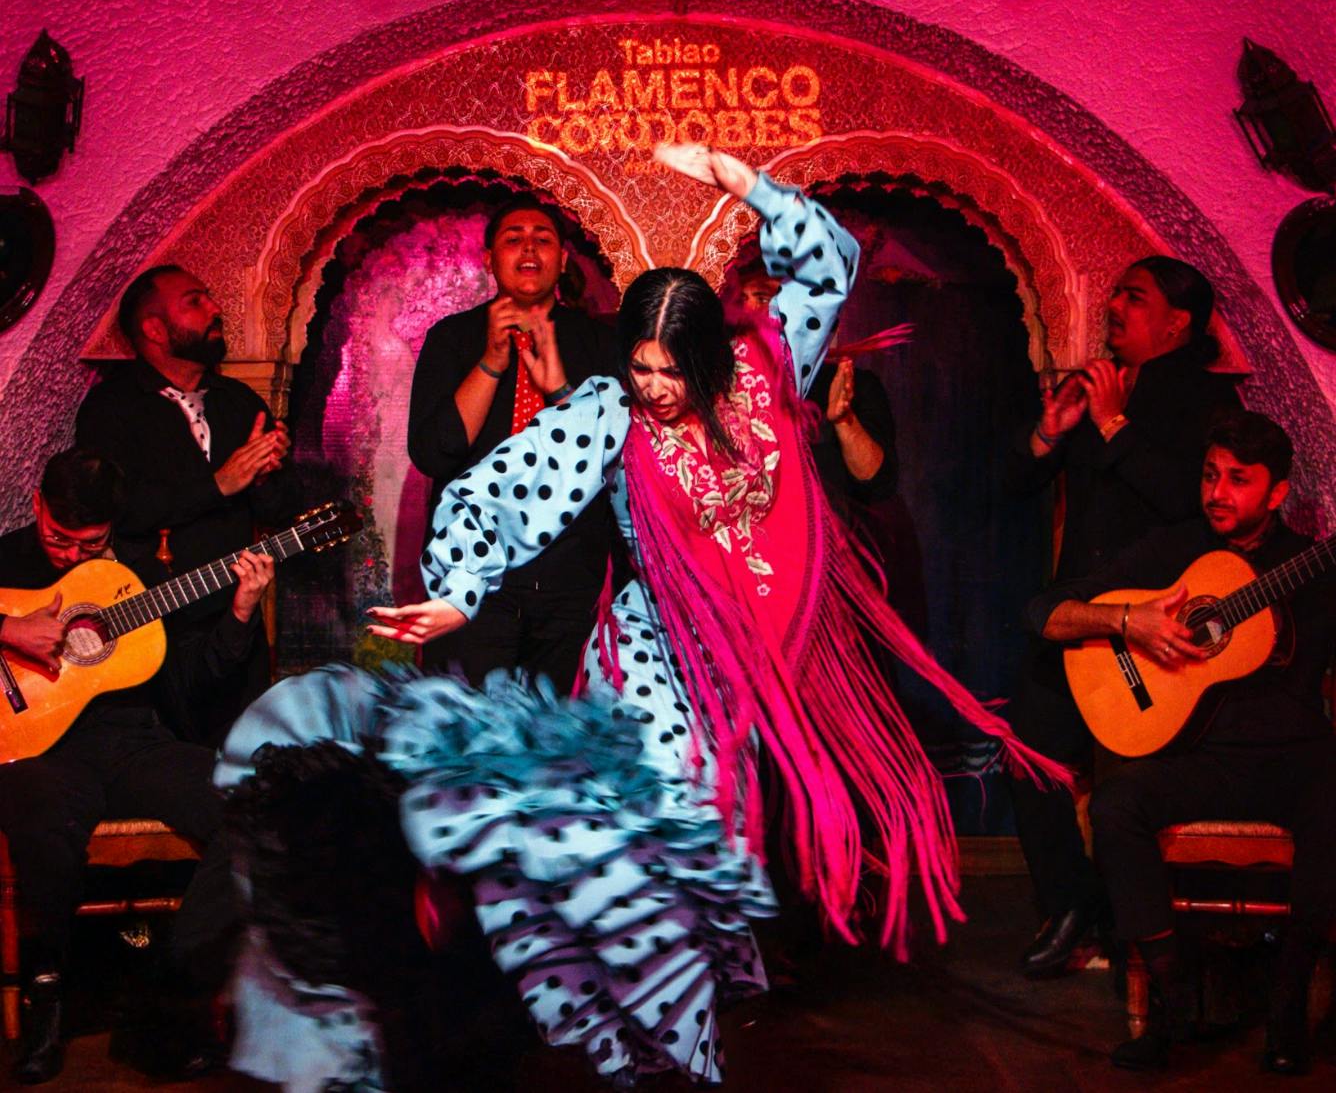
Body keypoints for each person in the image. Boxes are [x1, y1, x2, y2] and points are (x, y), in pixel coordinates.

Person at [215, 144, 1064, 1089]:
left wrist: (744, 186)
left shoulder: (770, 364)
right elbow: (495, 490)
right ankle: (669, 1046)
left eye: (668, 370)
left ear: (712, 356)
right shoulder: (606, 412)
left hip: (753, 662)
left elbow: (829, 259)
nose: (653, 387)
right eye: (641, 367)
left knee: (717, 846)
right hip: (659, 652)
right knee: (664, 834)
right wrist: (457, 590)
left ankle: (675, 1002)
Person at [1030, 412, 1335, 1073]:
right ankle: (1172, 1002)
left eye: (1239, 480)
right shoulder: (1176, 549)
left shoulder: (1311, 568)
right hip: (1204, 762)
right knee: (1115, 806)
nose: (1217, 492)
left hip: (1297, 760)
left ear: (1278, 493)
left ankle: (1288, 1006)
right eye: (1209, 475)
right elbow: (1046, 613)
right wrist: (1127, 620)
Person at [0, 449, 273, 1084]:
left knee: (255, 802)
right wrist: (7, 629)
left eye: (87, 543)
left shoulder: (142, 578)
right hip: (40, 750)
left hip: (131, 744)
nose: (69, 555)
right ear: (38, 506)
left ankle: (172, 991)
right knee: (40, 813)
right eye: (57, 537)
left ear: (111, 531)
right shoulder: (8, 559)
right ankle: (47, 992)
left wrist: (239, 613)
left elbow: (189, 675)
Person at [1006, 257, 1242, 977]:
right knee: (1029, 747)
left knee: (1125, 791)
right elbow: (1023, 485)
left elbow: (1191, 503)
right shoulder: (1094, 386)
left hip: (1156, 635)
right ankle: (1074, 904)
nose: (1112, 305)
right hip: (1084, 620)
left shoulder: (1206, 403)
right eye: (1115, 292)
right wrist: (1050, 436)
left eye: (1133, 298)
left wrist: (1114, 428)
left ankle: (1122, 925)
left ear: (1177, 322)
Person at [75, 265, 294, 746]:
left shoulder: (238, 402)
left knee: (249, 770)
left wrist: (269, 472)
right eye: (195, 301)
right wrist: (218, 484)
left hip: (236, 624)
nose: (215, 309)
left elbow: (274, 512)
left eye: (209, 297)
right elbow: (113, 511)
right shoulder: (110, 409)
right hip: (152, 634)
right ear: (154, 330)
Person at [407, 197, 618, 692]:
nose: (529, 248)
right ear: (489, 259)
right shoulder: (452, 338)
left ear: (563, 260)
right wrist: (492, 361)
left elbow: (609, 461)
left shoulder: (598, 343)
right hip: (474, 580)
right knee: (467, 736)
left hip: (567, 580)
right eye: (513, 238)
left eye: (543, 238)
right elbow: (434, 453)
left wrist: (562, 391)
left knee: (550, 745)